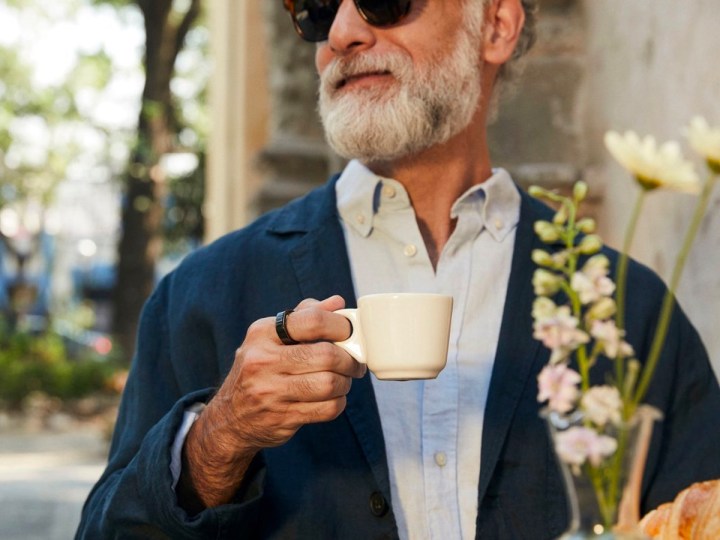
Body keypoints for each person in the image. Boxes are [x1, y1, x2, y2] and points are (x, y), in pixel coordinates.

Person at [77, 0, 720, 538]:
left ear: (496, 23)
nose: (341, 33)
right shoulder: (201, 296)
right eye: (316, 8)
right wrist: (219, 438)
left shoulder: (636, 311)